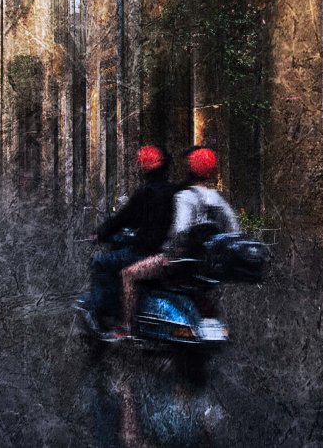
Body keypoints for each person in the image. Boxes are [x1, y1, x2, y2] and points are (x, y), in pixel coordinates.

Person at [114, 146, 239, 340]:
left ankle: (127, 327)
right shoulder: (217, 199)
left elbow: (180, 231)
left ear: (190, 168)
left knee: (128, 275)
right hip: (201, 268)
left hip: (178, 262)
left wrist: (169, 255)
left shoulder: (185, 197)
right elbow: (233, 230)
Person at [88, 145, 176, 332]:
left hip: (145, 252)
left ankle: (114, 317)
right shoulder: (173, 192)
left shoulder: (146, 192)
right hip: (164, 253)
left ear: (145, 166)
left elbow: (124, 217)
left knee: (100, 262)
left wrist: (100, 233)